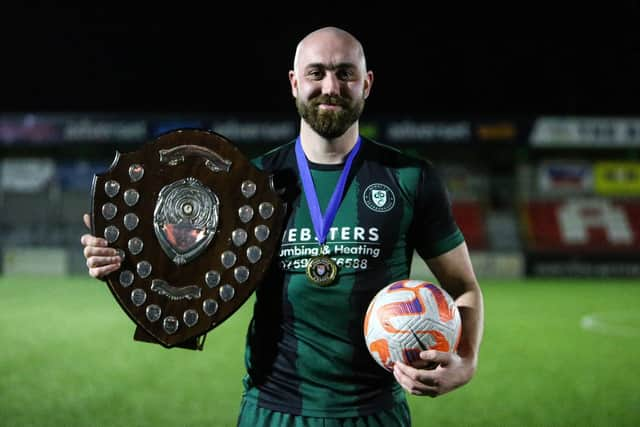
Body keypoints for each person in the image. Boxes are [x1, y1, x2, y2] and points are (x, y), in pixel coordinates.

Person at [81, 26, 484, 427]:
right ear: (294, 83)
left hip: (375, 413)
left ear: (367, 83)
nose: (331, 86)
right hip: (273, 411)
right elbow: (185, 273)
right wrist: (123, 262)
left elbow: (464, 286)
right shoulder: (250, 183)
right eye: (316, 73)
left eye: (345, 73)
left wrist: (465, 362)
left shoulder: (410, 177)